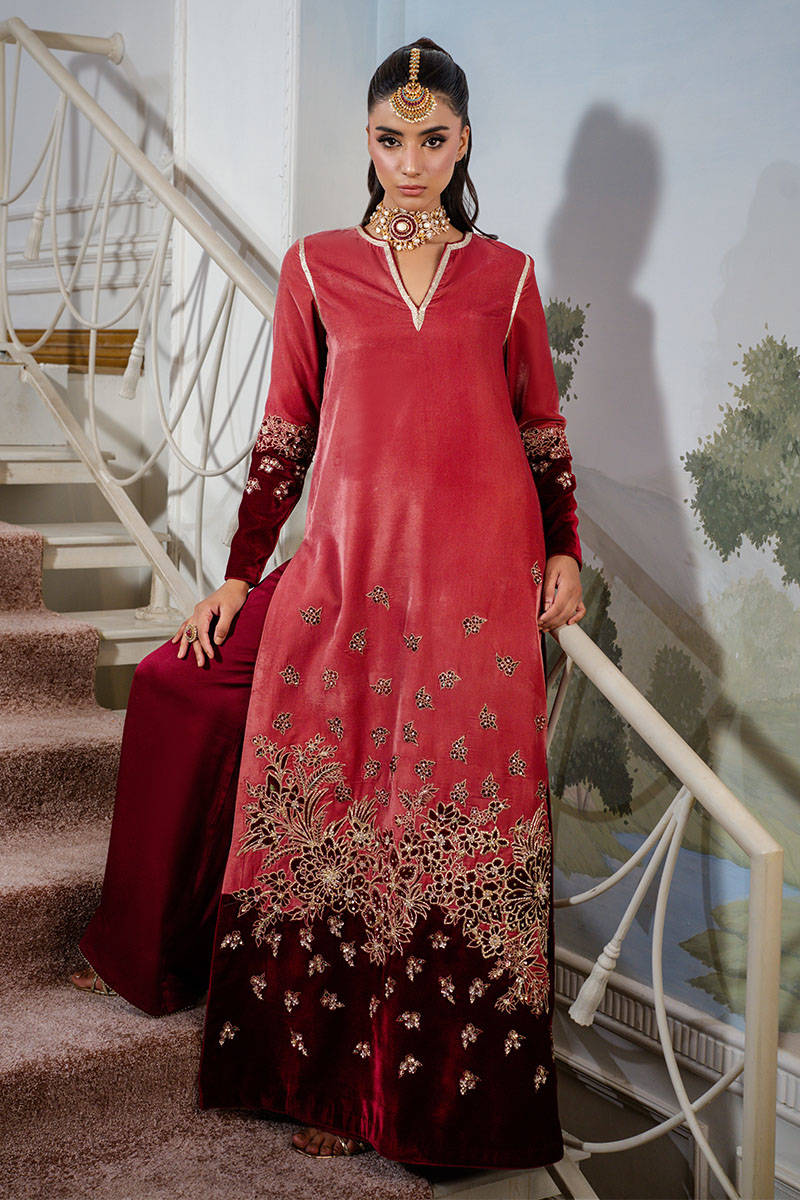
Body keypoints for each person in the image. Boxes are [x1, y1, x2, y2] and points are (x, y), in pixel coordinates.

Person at [72, 37, 585, 1169]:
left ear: (464, 142)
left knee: (440, 818)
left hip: (474, 589)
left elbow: (540, 427)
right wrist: (240, 571)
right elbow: (285, 432)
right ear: (369, 142)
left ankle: (433, 1108)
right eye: (391, 139)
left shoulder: (505, 277)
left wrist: (565, 549)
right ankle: (306, 1071)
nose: (411, 160)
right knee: (306, 782)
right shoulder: (316, 267)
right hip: (349, 574)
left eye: (433, 139)